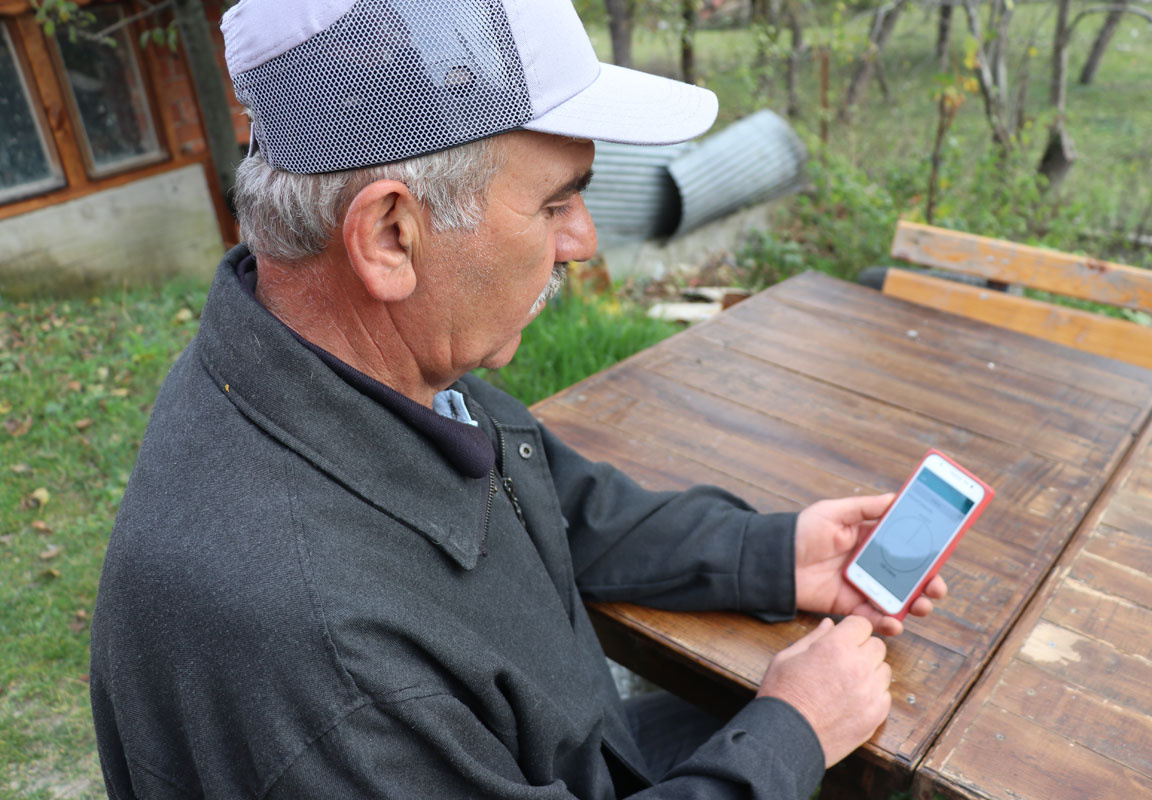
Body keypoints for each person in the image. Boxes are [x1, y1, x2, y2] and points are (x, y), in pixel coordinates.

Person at [89, 1, 946, 798]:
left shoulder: (332, 367)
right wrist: (790, 733)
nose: (584, 240)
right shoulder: (333, 669)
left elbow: (548, 500)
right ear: (391, 236)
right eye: (556, 201)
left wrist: (779, 553)